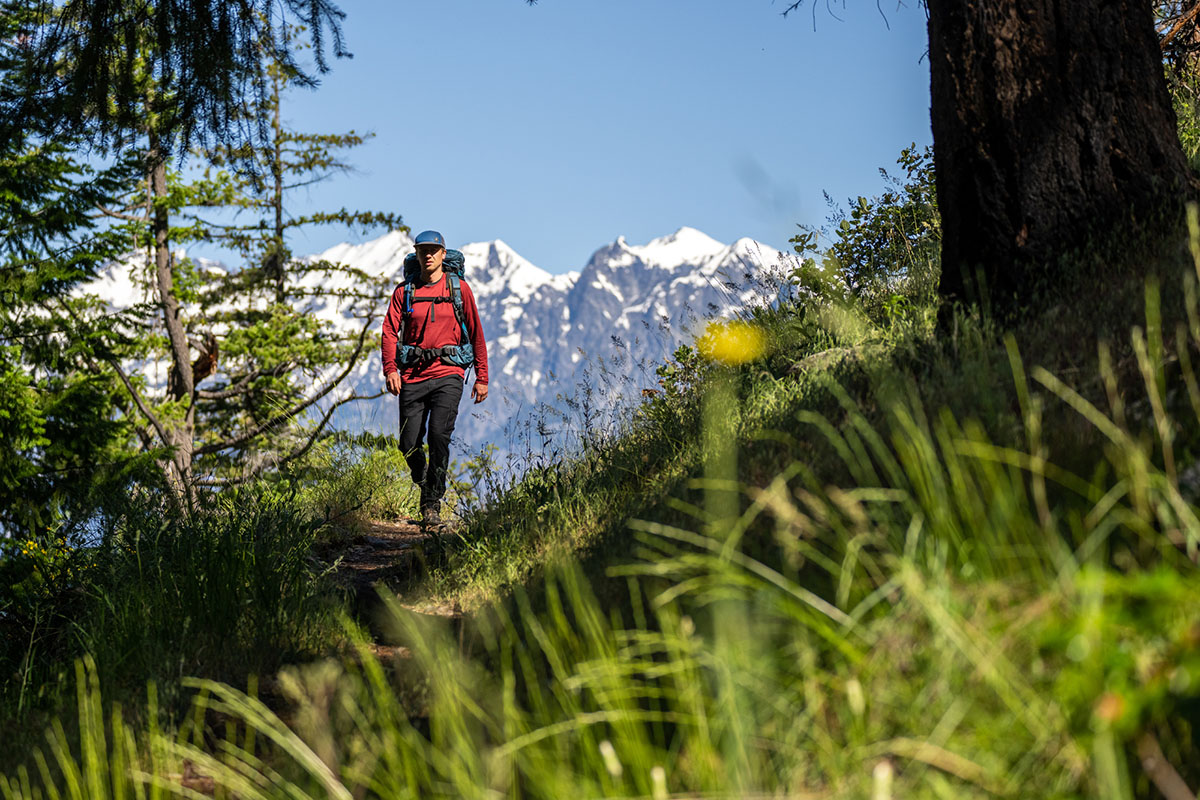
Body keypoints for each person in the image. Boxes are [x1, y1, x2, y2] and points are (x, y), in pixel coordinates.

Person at [381, 230, 489, 526]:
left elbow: (476, 332)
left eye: (434, 250)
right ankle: (425, 478)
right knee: (408, 443)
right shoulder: (404, 292)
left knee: (439, 436)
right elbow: (390, 331)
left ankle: (431, 502)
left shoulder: (459, 290)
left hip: (448, 373)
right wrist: (390, 368)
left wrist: (482, 376)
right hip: (413, 376)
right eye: (423, 250)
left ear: (443, 254)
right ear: (416, 254)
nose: (428, 255)